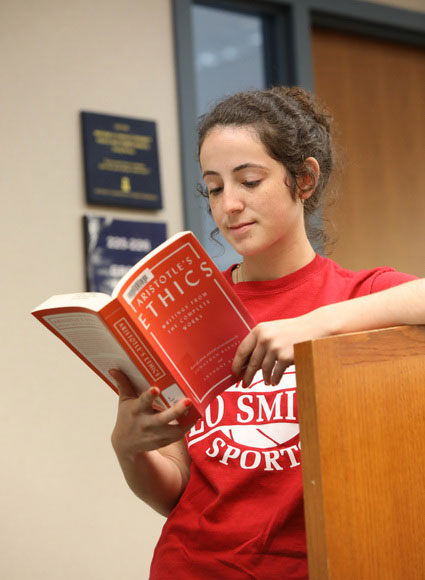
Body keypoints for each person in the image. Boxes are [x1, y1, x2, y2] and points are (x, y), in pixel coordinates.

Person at [110, 86, 425, 579]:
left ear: (303, 179)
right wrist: (130, 450)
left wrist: (314, 325)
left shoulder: (357, 298)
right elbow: (172, 492)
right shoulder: (190, 310)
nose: (229, 204)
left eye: (249, 180)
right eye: (214, 188)